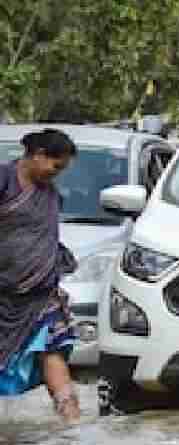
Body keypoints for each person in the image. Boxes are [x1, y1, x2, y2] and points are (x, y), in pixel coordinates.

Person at [0, 129, 81, 421]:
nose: (56, 174)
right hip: (4, 292)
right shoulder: (4, 182)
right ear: (38, 155)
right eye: (55, 166)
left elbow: (45, 237)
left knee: (52, 347)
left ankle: (71, 422)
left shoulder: (50, 196)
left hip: (42, 291)